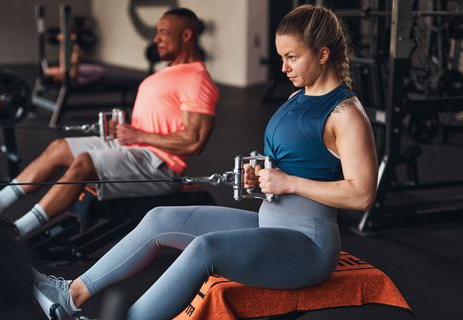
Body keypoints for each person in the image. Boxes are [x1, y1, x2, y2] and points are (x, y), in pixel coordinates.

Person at [32, 4, 378, 320]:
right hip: (268, 224)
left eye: (292, 57)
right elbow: (296, 162)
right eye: (281, 57)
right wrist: (259, 175)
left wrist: (290, 184)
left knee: (205, 248)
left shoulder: (345, 113)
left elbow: (362, 195)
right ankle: (69, 296)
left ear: (322, 54)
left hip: (308, 247)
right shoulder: (296, 97)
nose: (283, 67)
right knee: (159, 219)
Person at [0, 7, 219, 239]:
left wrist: (138, 135)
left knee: (84, 161)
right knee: (59, 147)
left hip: (159, 166)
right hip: (133, 148)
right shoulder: (170, 71)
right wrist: (123, 131)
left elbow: (194, 142)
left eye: (163, 32)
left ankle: (17, 231)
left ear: (186, 35)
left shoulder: (198, 80)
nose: (156, 39)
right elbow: (160, 123)